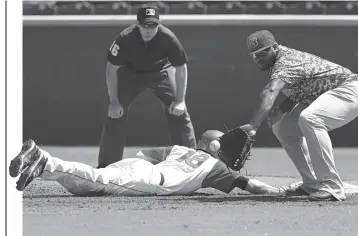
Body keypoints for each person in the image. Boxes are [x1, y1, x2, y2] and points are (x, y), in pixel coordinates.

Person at [240, 30, 358, 201]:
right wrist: (282, 109)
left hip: (348, 89)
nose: (258, 58)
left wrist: (252, 127)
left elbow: (270, 91)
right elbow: (304, 88)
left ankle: (332, 186)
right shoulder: (278, 62)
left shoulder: (286, 60)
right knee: (284, 128)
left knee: (310, 118)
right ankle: (312, 183)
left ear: (275, 47)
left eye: (263, 52)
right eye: (254, 55)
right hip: (327, 94)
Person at [8, 131, 282, 196]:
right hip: (151, 181)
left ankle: (41, 165)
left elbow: (143, 155)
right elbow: (249, 184)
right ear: (214, 147)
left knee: (87, 185)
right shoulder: (217, 167)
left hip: (139, 166)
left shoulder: (179, 149)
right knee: (95, 181)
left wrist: (128, 168)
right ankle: (44, 160)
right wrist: (278, 192)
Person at [98, 4, 196, 168]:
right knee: (115, 114)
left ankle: (190, 164)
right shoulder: (125, 37)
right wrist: (114, 102)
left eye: (153, 25)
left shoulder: (168, 37)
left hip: (160, 73)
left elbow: (181, 67)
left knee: (179, 112)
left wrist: (180, 100)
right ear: (138, 25)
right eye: (145, 25)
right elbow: (111, 68)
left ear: (159, 23)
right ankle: (107, 167)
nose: (149, 29)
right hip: (130, 75)